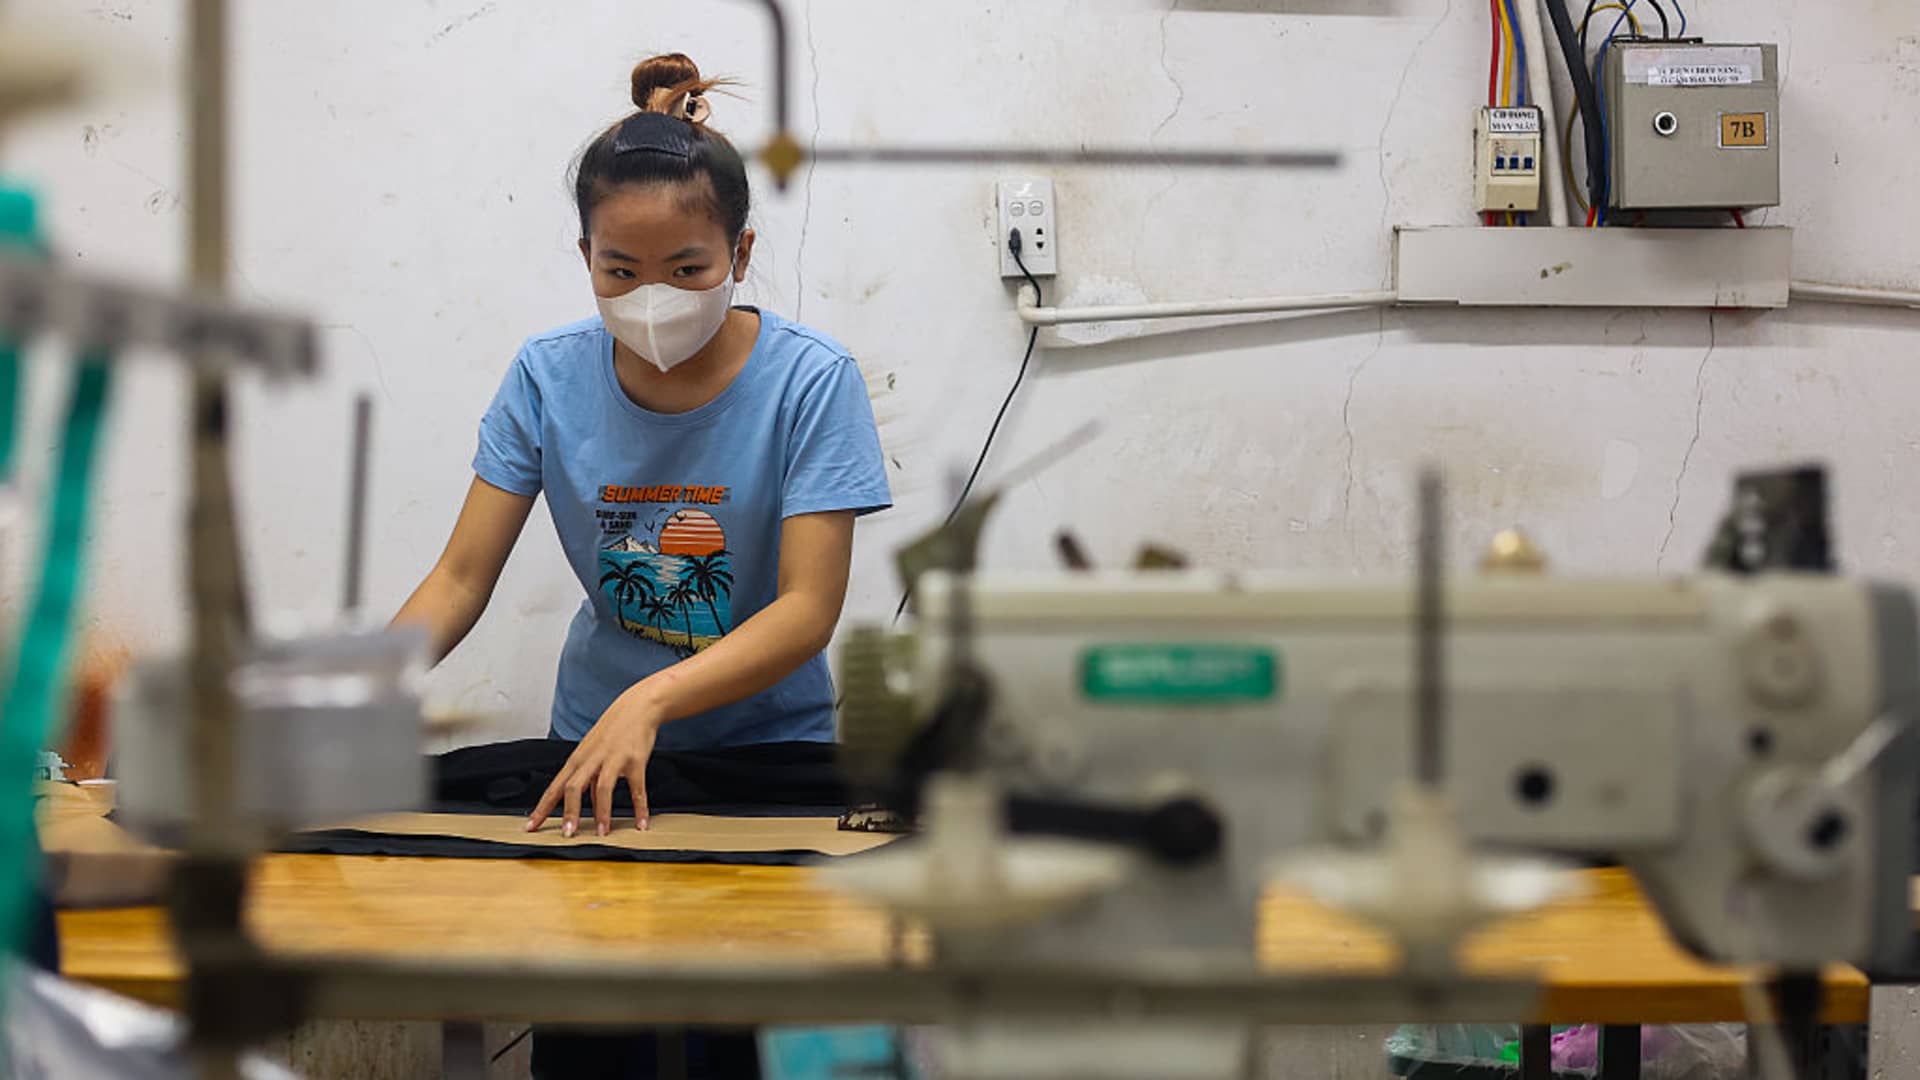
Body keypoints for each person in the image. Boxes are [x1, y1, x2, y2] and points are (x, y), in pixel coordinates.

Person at [393, 52, 891, 1078]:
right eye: (619, 272)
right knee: (600, 1037)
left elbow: (807, 608)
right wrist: (340, 692)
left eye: (687, 271)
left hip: (767, 764)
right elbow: (459, 579)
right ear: (584, 254)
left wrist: (652, 700)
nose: (651, 298)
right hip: (597, 769)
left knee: (747, 1041)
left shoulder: (810, 382)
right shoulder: (548, 377)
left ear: (741, 251)